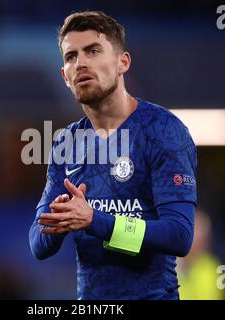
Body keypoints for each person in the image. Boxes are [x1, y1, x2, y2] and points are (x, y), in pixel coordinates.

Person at [29, 11, 197, 300]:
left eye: (93, 51)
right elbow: (37, 245)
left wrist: (94, 220)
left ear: (123, 63)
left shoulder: (163, 131)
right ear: (64, 77)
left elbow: (179, 236)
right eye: (71, 56)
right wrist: (59, 220)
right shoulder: (65, 143)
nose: (80, 63)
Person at [177, 210, 225, 300]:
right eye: (197, 231)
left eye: (204, 233)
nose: (202, 238)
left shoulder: (214, 267)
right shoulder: (163, 265)